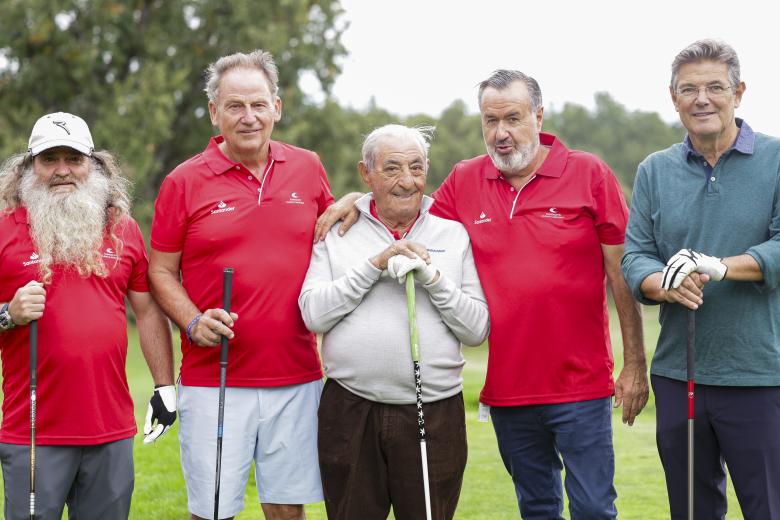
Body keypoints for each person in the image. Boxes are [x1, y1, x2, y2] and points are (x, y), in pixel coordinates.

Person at [316, 70, 648, 519]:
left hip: (581, 386)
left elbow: (620, 271)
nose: (501, 133)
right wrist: (356, 198)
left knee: (593, 508)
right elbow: (408, 199)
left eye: (512, 118)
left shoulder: (588, 173)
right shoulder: (466, 178)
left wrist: (635, 364)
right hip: (509, 389)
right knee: (537, 507)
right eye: (490, 121)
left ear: (539, 115)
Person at [148, 50, 334, 520]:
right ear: (215, 112)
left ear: (277, 106)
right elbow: (160, 271)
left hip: (297, 375)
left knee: (288, 510)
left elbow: (335, 233)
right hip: (215, 379)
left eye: (258, 104)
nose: (248, 117)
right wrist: (191, 321)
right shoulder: (183, 181)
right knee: (212, 512)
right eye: (234, 106)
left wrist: (353, 200)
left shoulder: (308, 167)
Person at [622, 39, 780, 519]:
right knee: (691, 509)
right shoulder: (655, 170)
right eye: (688, 89)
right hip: (679, 373)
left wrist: (720, 266)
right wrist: (661, 282)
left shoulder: (775, 159)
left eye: (715, 87)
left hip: (758, 375)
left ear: (739, 92)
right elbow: (636, 256)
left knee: (767, 507)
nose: (702, 99)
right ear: (673, 97)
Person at [299, 124, 489, 520]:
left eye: (417, 168)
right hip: (350, 408)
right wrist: (374, 266)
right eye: (392, 169)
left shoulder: (452, 233)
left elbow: (476, 330)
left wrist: (433, 279)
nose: (408, 181)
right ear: (365, 173)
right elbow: (313, 313)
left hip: (433, 409)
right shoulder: (337, 231)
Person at [0, 112, 175, 520]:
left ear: (94, 166)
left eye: (73, 158)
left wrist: (164, 386)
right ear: (29, 168)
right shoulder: (4, 230)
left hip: (109, 429)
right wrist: (8, 313)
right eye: (49, 159)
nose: (62, 170)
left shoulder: (123, 230)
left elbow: (147, 311)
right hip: (32, 431)